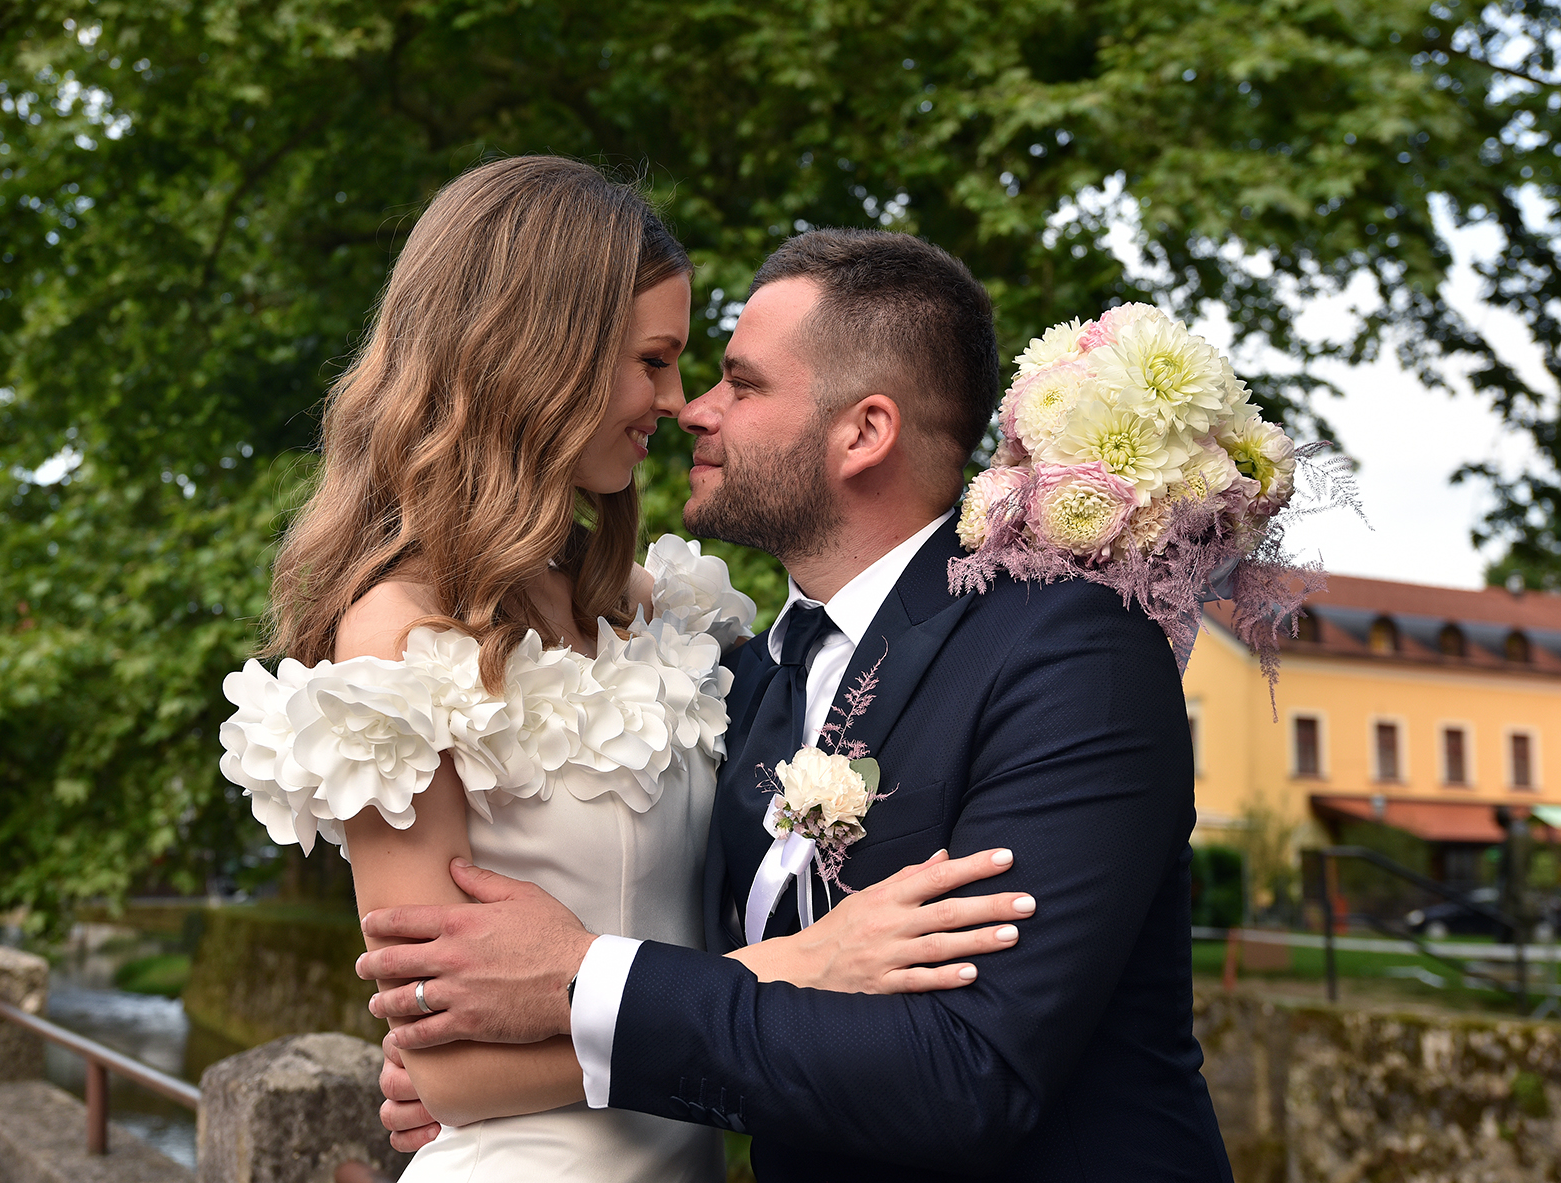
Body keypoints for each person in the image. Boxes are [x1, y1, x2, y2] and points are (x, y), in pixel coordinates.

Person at [219, 160, 1034, 1183]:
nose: (676, 402)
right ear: (538, 354)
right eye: (653, 361)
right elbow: (451, 1075)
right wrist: (800, 966)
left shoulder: (659, 610)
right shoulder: (395, 634)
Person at [365, 228, 1235, 1180]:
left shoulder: (1071, 652)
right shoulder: (746, 681)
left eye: (742, 384)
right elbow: (732, 991)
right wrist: (505, 1072)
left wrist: (583, 982)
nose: (695, 408)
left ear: (864, 432)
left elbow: (967, 1074)